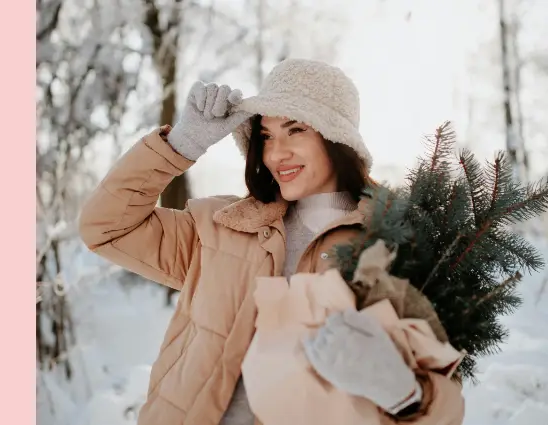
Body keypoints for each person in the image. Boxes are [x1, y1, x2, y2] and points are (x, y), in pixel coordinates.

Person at [77, 58, 464, 425]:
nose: (276, 153)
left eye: (296, 130)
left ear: (336, 140)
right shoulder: (221, 227)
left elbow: (444, 399)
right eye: (266, 135)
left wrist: (401, 392)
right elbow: (106, 226)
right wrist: (181, 144)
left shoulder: (389, 247)